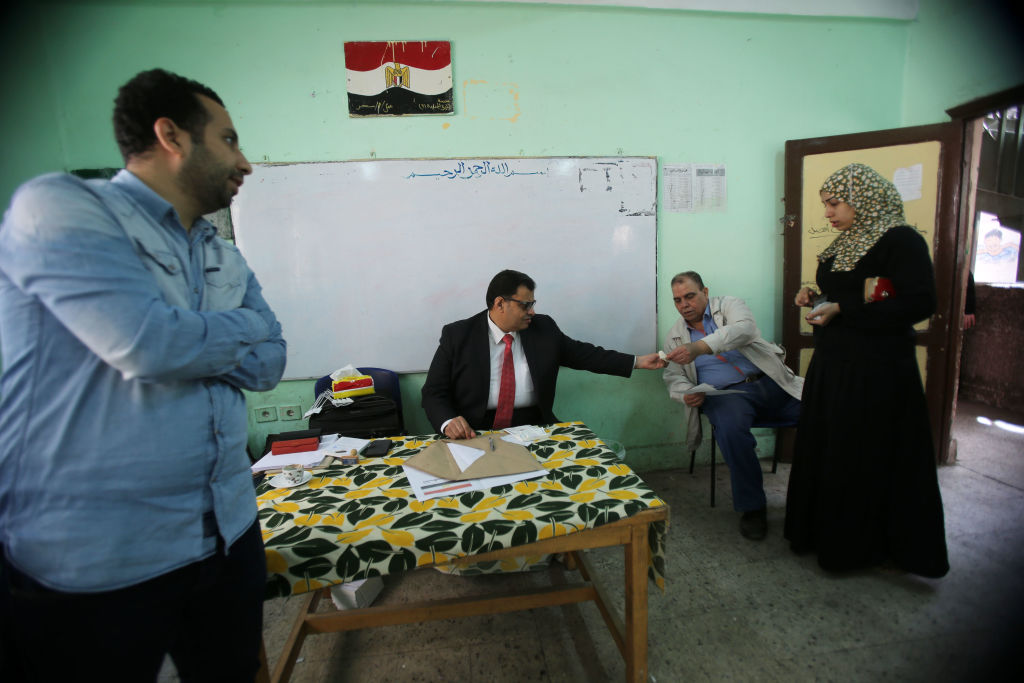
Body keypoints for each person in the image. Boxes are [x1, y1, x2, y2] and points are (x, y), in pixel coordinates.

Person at [0, 69, 286, 679]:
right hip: (99, 555)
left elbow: (271, 364)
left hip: (228, 532)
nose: (245, 162)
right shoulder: (61, 207)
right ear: (171, 136)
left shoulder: (223, 253)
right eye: (229, 140)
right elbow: (145, 345)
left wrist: (190, 337)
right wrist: (239, 327)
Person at [785, 162, 949, 578]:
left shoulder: (901, 240)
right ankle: (823, 534)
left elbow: (919, 302)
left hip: (877, 370)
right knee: (833, 449)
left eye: (834, 203)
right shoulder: (846, 241)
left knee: (863, 453)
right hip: (835, 364)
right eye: (825, 204)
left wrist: (843, 308)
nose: (828, 213)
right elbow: (849, 294)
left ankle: (862, 546)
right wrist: (816, 297)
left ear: (864, 199)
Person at [421, 269, 665, 439]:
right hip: (475, 430)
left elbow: (586, 354)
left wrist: (637, 361)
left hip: (533, 427)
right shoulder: (458, 335)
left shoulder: (543, 329)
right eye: (525, 305)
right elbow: (433, 392)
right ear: (500, 304)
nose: (532, 312)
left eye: (533, 304)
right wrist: (448, 421)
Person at [662, 271, 803, 540]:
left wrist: (700, 347)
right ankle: (753, 507)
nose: (684, 305)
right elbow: (673, 377)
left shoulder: (729, 305)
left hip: (770, 382)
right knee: (731, 429)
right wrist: (685, 394)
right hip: (727, 395)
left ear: (705, 292)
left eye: (690, 296)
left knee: (823, 410)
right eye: (677, 300)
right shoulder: (675, 337)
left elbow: (745, 329)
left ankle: (818, 496)